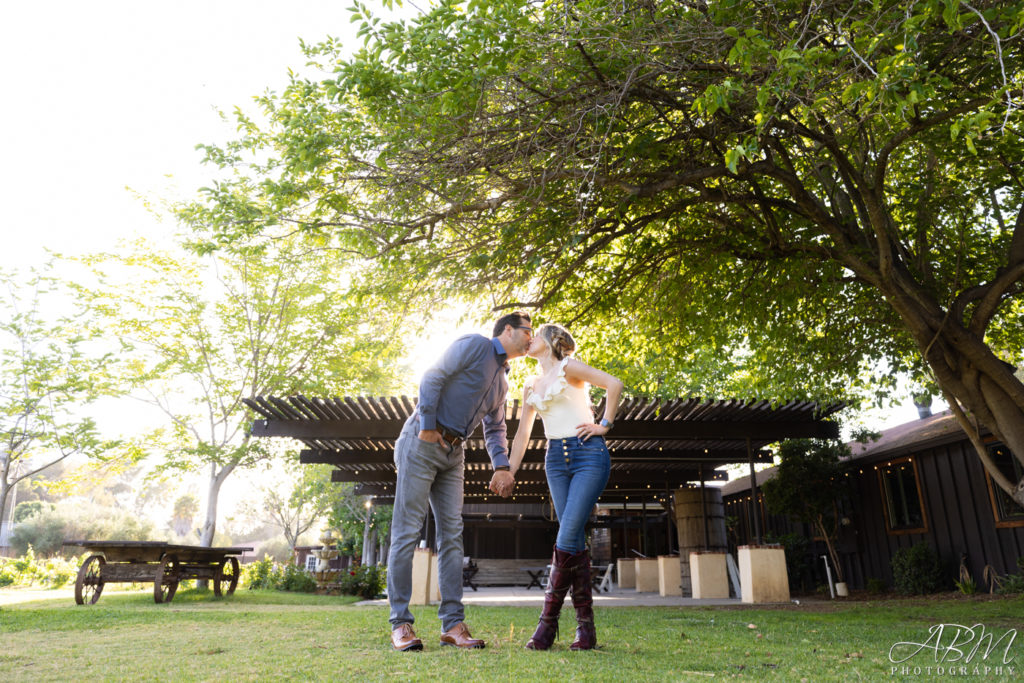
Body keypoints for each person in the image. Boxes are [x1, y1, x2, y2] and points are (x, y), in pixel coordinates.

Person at [387, 312, 532, 652]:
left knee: (452, 533)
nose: (531, 338)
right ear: (507, 330)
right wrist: (427, 423)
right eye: (528, 331)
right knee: (407, 532)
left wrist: (502, 466)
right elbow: (433, 375)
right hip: (422, 442)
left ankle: (452, 625)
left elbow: (495, 429)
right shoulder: (474, 345)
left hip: (454, 454)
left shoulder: (502, 383)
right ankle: (401, 624)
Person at [494, 323, 624, 651]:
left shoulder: (570, 368)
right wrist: (509, 471)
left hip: (588, 455)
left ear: (551, 340)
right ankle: (586, 629)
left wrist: (604, 425)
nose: (529, 339)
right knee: (574, 538)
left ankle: (546, 625)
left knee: (566, 535)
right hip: (555, 461)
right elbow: (522, 434)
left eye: (535, 334)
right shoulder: (531, 385)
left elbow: (613, 384)